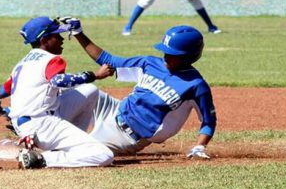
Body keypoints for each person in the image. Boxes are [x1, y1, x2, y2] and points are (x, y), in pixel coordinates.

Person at [63, 17, 217, 158]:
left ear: (187, 56)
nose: (165, 55)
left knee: (79, 151)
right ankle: (47, 130)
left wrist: (199, 147)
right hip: (113, 109)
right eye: (165, 50)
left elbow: (208, 121)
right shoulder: (149, 63)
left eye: (171, 53)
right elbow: (107, 60)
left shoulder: (196, 86)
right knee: (80, 89)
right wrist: (78, 33)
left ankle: (44, 157)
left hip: (126, 137)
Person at [0, 16, 114, 169]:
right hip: (42, 125)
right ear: (45, 40)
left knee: (90, 91)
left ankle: (67, 144)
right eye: (57, 35)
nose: (62, 39)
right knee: (104, 155)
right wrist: (94, 75)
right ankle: (40, 159)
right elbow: (57, 81)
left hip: (26, 123)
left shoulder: (23, 62)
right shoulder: (53, 60)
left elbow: (8, 87)